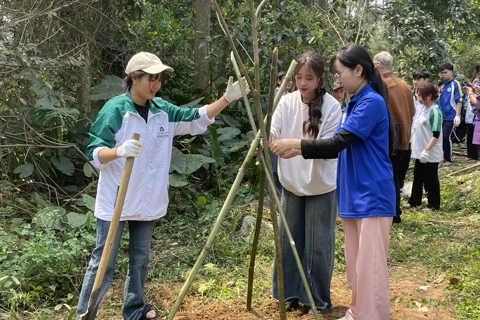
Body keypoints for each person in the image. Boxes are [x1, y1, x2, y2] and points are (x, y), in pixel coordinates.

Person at [76, 52, 248, 320]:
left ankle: (134, 310)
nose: (155, 85)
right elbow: (94, 151)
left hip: (147, 198)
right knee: (104, 262)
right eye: (150, 79)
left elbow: (195, 118)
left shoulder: (162, 110)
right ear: (134, 78)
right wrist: (118, 151)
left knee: (140, 258)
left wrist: (226, 99)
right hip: (116, 198)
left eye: (159, 79)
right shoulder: (115, 109)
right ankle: (85, 315)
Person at [271, 43, 396, 320]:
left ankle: (373, 315)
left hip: (372, 193)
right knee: (356, 262)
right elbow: (332, 143)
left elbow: (338, 143)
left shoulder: (371, 101)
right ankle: (358, 312)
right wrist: (296, 149)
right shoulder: (354, 101)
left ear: (359, 70)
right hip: (354, 194)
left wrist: (297, 143)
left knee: (371, 264)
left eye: (340, 74)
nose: (338, 80)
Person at [270, 50, 342, 315]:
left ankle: (317, 300)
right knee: (290, 240)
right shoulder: (286, 101)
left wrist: (295, 147)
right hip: (290, 181)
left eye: (309, 78)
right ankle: (289, 292)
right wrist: (270, 139)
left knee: (317, 246)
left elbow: (328, 146)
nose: (303, 83)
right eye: (299, 77)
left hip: (320, 184)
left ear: (320, 78)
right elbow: (274, 127)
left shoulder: (332, 107)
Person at [373, 51, 415, 223]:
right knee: (395, 175)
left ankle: (391, 212)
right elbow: (412, 111)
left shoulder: (381, 85)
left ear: (376, 66)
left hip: (388, 139)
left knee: (387, 175)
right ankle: (394, 211)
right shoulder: (404, 85)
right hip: (404, 138)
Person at [406, 84, 443, 210]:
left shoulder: (435, 112)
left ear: (429, 96)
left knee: (431, 178)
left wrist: (427, 151)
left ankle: (434, 204)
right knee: (418, 176)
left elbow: (436, 134)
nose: (418, 98)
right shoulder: (423, 109)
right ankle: (414, 200)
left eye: (420, 95)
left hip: (430, 152)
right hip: (420, 150)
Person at [438, 63, 463, 163]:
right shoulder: (442, 85)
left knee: (445, 136)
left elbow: (459, 100)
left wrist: (457, 115)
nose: (443, 74)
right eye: (442, 73)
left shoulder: (455, 84)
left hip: (451, 115)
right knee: (439, 137)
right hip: (441, 115)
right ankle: (441, 157)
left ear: (451, 72)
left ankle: (448, 159)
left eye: (445, 72)